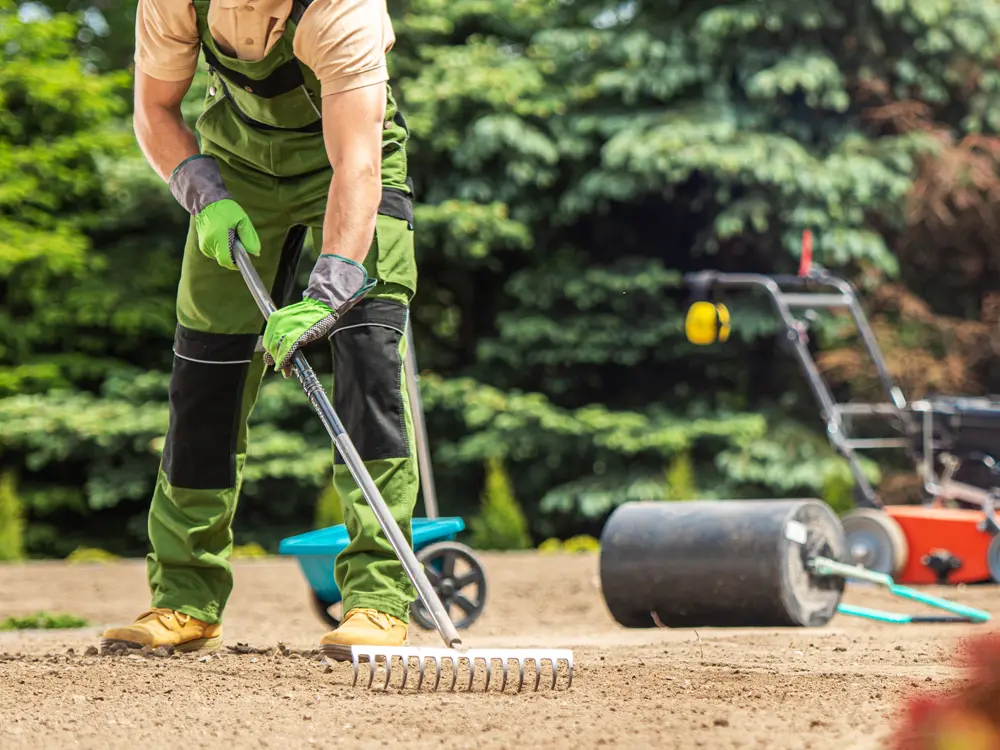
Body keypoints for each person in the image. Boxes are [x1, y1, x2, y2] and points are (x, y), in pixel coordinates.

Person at [99, 0, 419, 660]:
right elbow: (155, 112)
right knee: (205, 382)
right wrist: (201, 190)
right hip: (237, 170)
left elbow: (356, 166)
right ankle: (186, 600)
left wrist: (330, 287)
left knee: (368, 371)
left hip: (351, 171)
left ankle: (378, 600)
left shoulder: (341, 11)